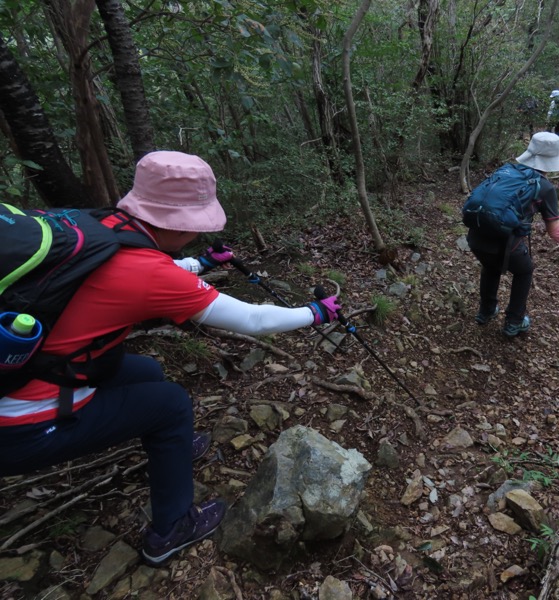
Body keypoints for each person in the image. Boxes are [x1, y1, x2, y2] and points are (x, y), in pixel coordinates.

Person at [0, 151, 342, 566]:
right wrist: (315, 313)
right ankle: (170, 530)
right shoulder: (150, 272)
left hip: (34, 372)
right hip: (20, 427)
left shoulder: (96, 222)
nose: (197, 235)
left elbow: (131, 267)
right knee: (172, 405)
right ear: (180, 223)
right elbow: (252, 319)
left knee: (149, 371)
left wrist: (200, 264)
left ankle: (169, 448)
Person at [467, 132, 559, 337]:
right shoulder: (545, 187)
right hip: (506, 244)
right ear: (550, 161)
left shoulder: (506, 170)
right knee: (524, 271)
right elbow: (556, 232)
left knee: (490, 266)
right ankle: (514, 322)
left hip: (476, 235)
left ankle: (486, 311)